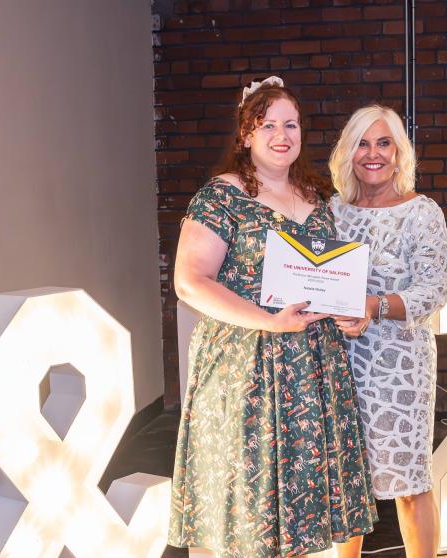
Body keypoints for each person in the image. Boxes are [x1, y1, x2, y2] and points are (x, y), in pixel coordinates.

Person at [168, 77, 377, 558]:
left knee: (303, 509)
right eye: (268, 125)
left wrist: (351, 315)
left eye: (291, 124)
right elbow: (190, 281)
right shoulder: (222, 196)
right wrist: (268, 320)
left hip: (311, 369)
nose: (282, 135)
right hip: (248, 370)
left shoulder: (316, 196)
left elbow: (329, 277)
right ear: (245, 135)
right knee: (248, 505)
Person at [328, 105, 447, 558]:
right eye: (363, 143)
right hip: (341, 362)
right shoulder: (333, 211)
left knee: (409, 483)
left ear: (400, 154)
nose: (373, 153)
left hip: (399, 368)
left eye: (384, 143)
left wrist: (373, 307)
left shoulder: (421, 212)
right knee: (347, 482)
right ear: (349, 152)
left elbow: (435, 290)